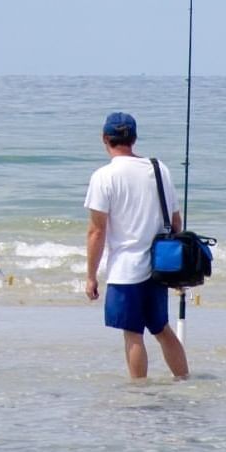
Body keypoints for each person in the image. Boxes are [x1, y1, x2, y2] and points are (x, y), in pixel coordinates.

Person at [83, 111, 189, 380]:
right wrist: (181, 267)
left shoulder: (104, 177)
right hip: (159, 266)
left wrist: (91, 276)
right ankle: (184, 381)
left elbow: (97, 230)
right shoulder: (158, 168)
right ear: (134, 138)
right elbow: (177, 222)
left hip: (125, 269)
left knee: (132, 334)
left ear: (105, 138)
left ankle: (139, 391)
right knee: (162, 328)